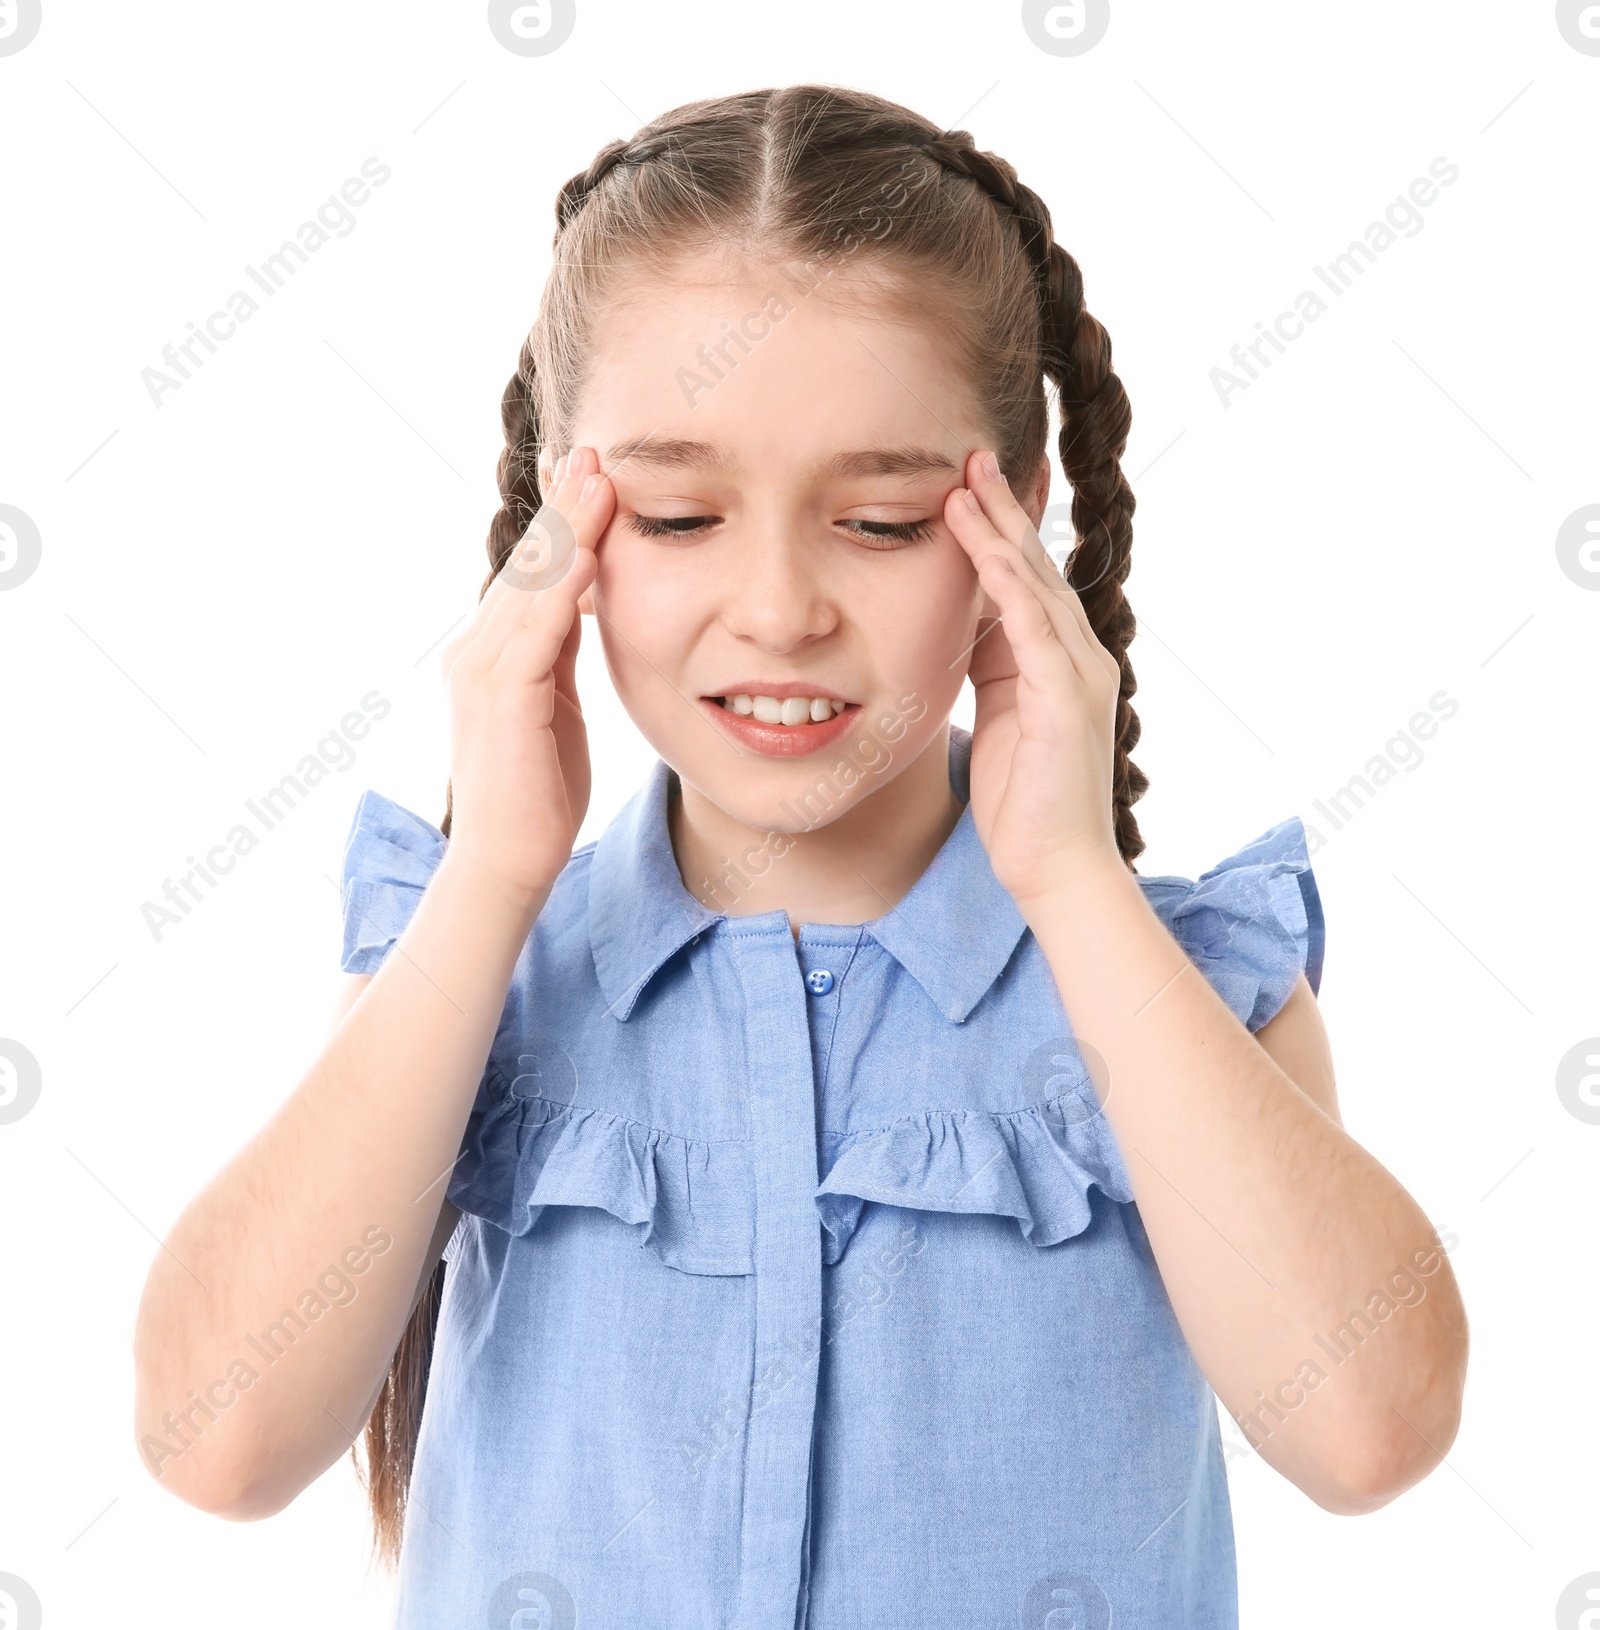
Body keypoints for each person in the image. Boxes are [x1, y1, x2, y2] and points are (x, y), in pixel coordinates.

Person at [132, 84, 1468, 1629]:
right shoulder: (468, 970)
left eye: (886, 520)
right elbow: (217, 1437)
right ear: (562, 523)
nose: (778, 606)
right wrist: (492, 871)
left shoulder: (1174, 984)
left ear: (1015, 524)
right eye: (683, 511)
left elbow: (1372, 1425)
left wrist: (1075, 879)